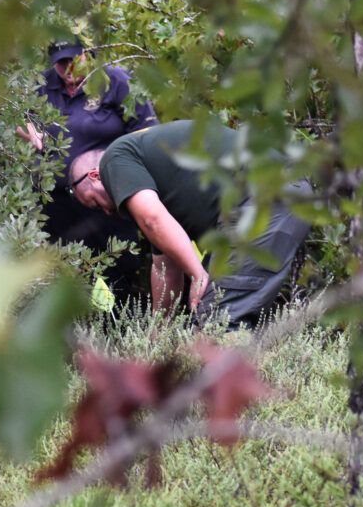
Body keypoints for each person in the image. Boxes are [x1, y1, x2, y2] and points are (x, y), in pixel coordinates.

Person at [67, 119, 310, 327]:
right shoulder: (156, 190)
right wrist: (158, 333)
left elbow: (152, 220)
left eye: (95, 203)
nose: (107, 211)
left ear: (95, 176)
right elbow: (165, 271)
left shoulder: (114, 159)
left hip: (266, 195)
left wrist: (197, 274)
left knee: (216, 322)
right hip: (272, 197)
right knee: (216, 316)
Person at [16, 41, 158, 299]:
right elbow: (16, 116)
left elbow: (147, 134)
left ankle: (116, 321)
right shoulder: (41, 85)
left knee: (115, 270)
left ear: (87, 53)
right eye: (61, 63)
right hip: (55, 200)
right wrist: (23, 127)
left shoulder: (115, 81)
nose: (68, 68)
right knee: (60, 273)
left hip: (105, 199)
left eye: (73, 60)